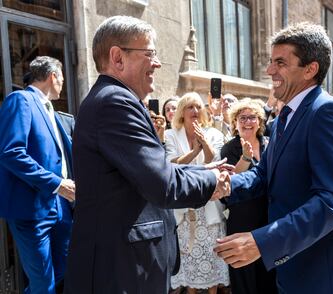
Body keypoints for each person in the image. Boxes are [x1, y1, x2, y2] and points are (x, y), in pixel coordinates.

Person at [63, 16, 230, 294]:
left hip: (127, 268)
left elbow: (154, 169)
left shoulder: (115, 99)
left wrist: (205, 171)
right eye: (150, 54)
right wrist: (211, 181)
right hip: (119, 272)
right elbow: (161, 184)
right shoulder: (115, 102)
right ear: (118, 57)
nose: (157, 63)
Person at [214, 22, 333, 293]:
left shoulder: (328, 113)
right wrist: (218, 183)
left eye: (280, 63)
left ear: (310, 69)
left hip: (322, 273)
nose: (270, 70)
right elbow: (265, 174)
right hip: (293, 267)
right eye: (271, 61)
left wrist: (264, 242)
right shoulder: (285, 117)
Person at [0, 56, 75, 294]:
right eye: (62, 77)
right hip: (32, 209)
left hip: (61, 206)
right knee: (44, 284)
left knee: (64, 269)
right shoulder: (21, 100)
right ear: (53, 76)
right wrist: (57, 184)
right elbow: (11, 152)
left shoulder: (52, 110)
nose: (62, 83)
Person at [165, 92, 229, 294]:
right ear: (182, 111)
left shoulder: (214, 133)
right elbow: (170, 164)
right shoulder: (171, 134)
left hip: (209, 202)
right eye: (190, 106)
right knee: (188, 253)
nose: (194, 110)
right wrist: (194, 152)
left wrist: (205, 144)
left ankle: (212, 291)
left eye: (198, 106)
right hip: (184, 204)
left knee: (211, 253)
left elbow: (214, 164)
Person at [220, 98, 277, 294]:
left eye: (252, 117)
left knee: (269, 274)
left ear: (260, 122)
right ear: (235, 122)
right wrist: (245, 157)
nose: (247, 122)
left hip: (270, 217)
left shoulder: (269, 143)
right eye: (242, 118)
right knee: (244, 277)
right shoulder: (229, 148)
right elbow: (229, 183)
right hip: (243, 219)